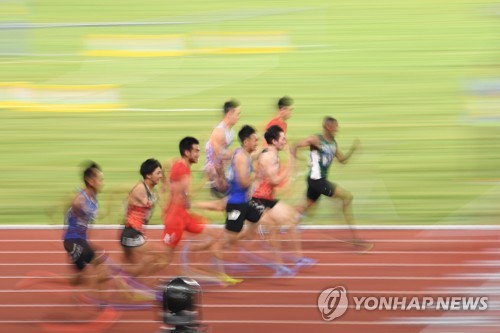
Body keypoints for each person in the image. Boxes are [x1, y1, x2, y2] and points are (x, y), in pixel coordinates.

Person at [162, 136, 241, 285]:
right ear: (187, 152)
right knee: (165, 259)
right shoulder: (183, 169)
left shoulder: (179, 165)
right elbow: (188, 196)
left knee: (214, 234)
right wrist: (206, 178)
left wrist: (165, 185)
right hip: (174, 219)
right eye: (196, 151)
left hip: (183, 215)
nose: (199, 153)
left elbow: (169, 168)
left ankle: (221, 274)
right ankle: (134, 273)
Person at [291, 117, 370, 248]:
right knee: (347, 197)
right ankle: (355, 238)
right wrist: (295, 164)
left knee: (306, 209)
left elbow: (342, 160)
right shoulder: (315, 139)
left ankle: (279, 218)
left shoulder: (333, 143)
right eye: (335, 127)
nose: (337, 129)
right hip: (318, 181)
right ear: (328, 127)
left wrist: (353, 150)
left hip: (316, 181)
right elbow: (295, 146)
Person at [252, 125, 315, 268]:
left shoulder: (271, 154)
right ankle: (220, 248)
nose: (285, 141)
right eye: (282, 139)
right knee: (242, 235)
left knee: (287, 222)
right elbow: (274, 181)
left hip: (267, 199)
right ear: (274, 141)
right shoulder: (269, 157)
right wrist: (290, 166)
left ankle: (290, 261)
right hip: (258, 200)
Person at [120, 158, 167, 276]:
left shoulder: (149, 189)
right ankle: (120, 277)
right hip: (131, 233)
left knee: (142, 263)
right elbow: (147, 204)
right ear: (148, 175)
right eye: (158, 173)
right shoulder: (140, 189)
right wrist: (160, 195)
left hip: (135, 231)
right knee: (161, 255)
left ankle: (125, 279)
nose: (161, 176)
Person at [63, 161, 107, 287]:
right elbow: (73, 207)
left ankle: (63, 282)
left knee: (79, 278)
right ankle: (101, 303)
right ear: (90, 181)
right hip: (73, 241)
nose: (102, 183)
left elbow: (87, 222)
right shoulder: (80, 199)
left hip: (80, 240)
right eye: (100, 180)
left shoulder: (94, 198)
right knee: (97, 267)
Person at [204, 99, 241, 197]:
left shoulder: (230, 132)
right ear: (229, 114)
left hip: (222, 165)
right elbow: (217, 158)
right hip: (214, 169)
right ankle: (214, 185)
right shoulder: (219, 132)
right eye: (237, 114)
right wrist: (222, 178)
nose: (239, 117)